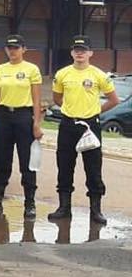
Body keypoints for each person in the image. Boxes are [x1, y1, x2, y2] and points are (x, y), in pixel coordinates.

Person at [47, 35, 119, 226]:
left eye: (83, 50)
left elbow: (114, 100)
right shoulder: (62, 74)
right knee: (64, 166)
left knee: (93, 168)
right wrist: (72, 111)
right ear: (72, 52)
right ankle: (64, 208)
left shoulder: (98, 75)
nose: (80, 53)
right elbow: (57, 98)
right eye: (77, 50)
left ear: (90, 53)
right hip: (68, 125)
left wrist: (94, 112)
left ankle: (96, 210)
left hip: (90, 126)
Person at [0, 34, 43, 217]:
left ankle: (30, 203)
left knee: (27, 163)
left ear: (23, 49)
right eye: (9, 48)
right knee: (3, 161)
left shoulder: (31, 69)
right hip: (4, 116)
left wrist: (36, 123)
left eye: (16, 48)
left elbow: (36, 99)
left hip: (23, 116)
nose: (12, 51)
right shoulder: (1, 69)